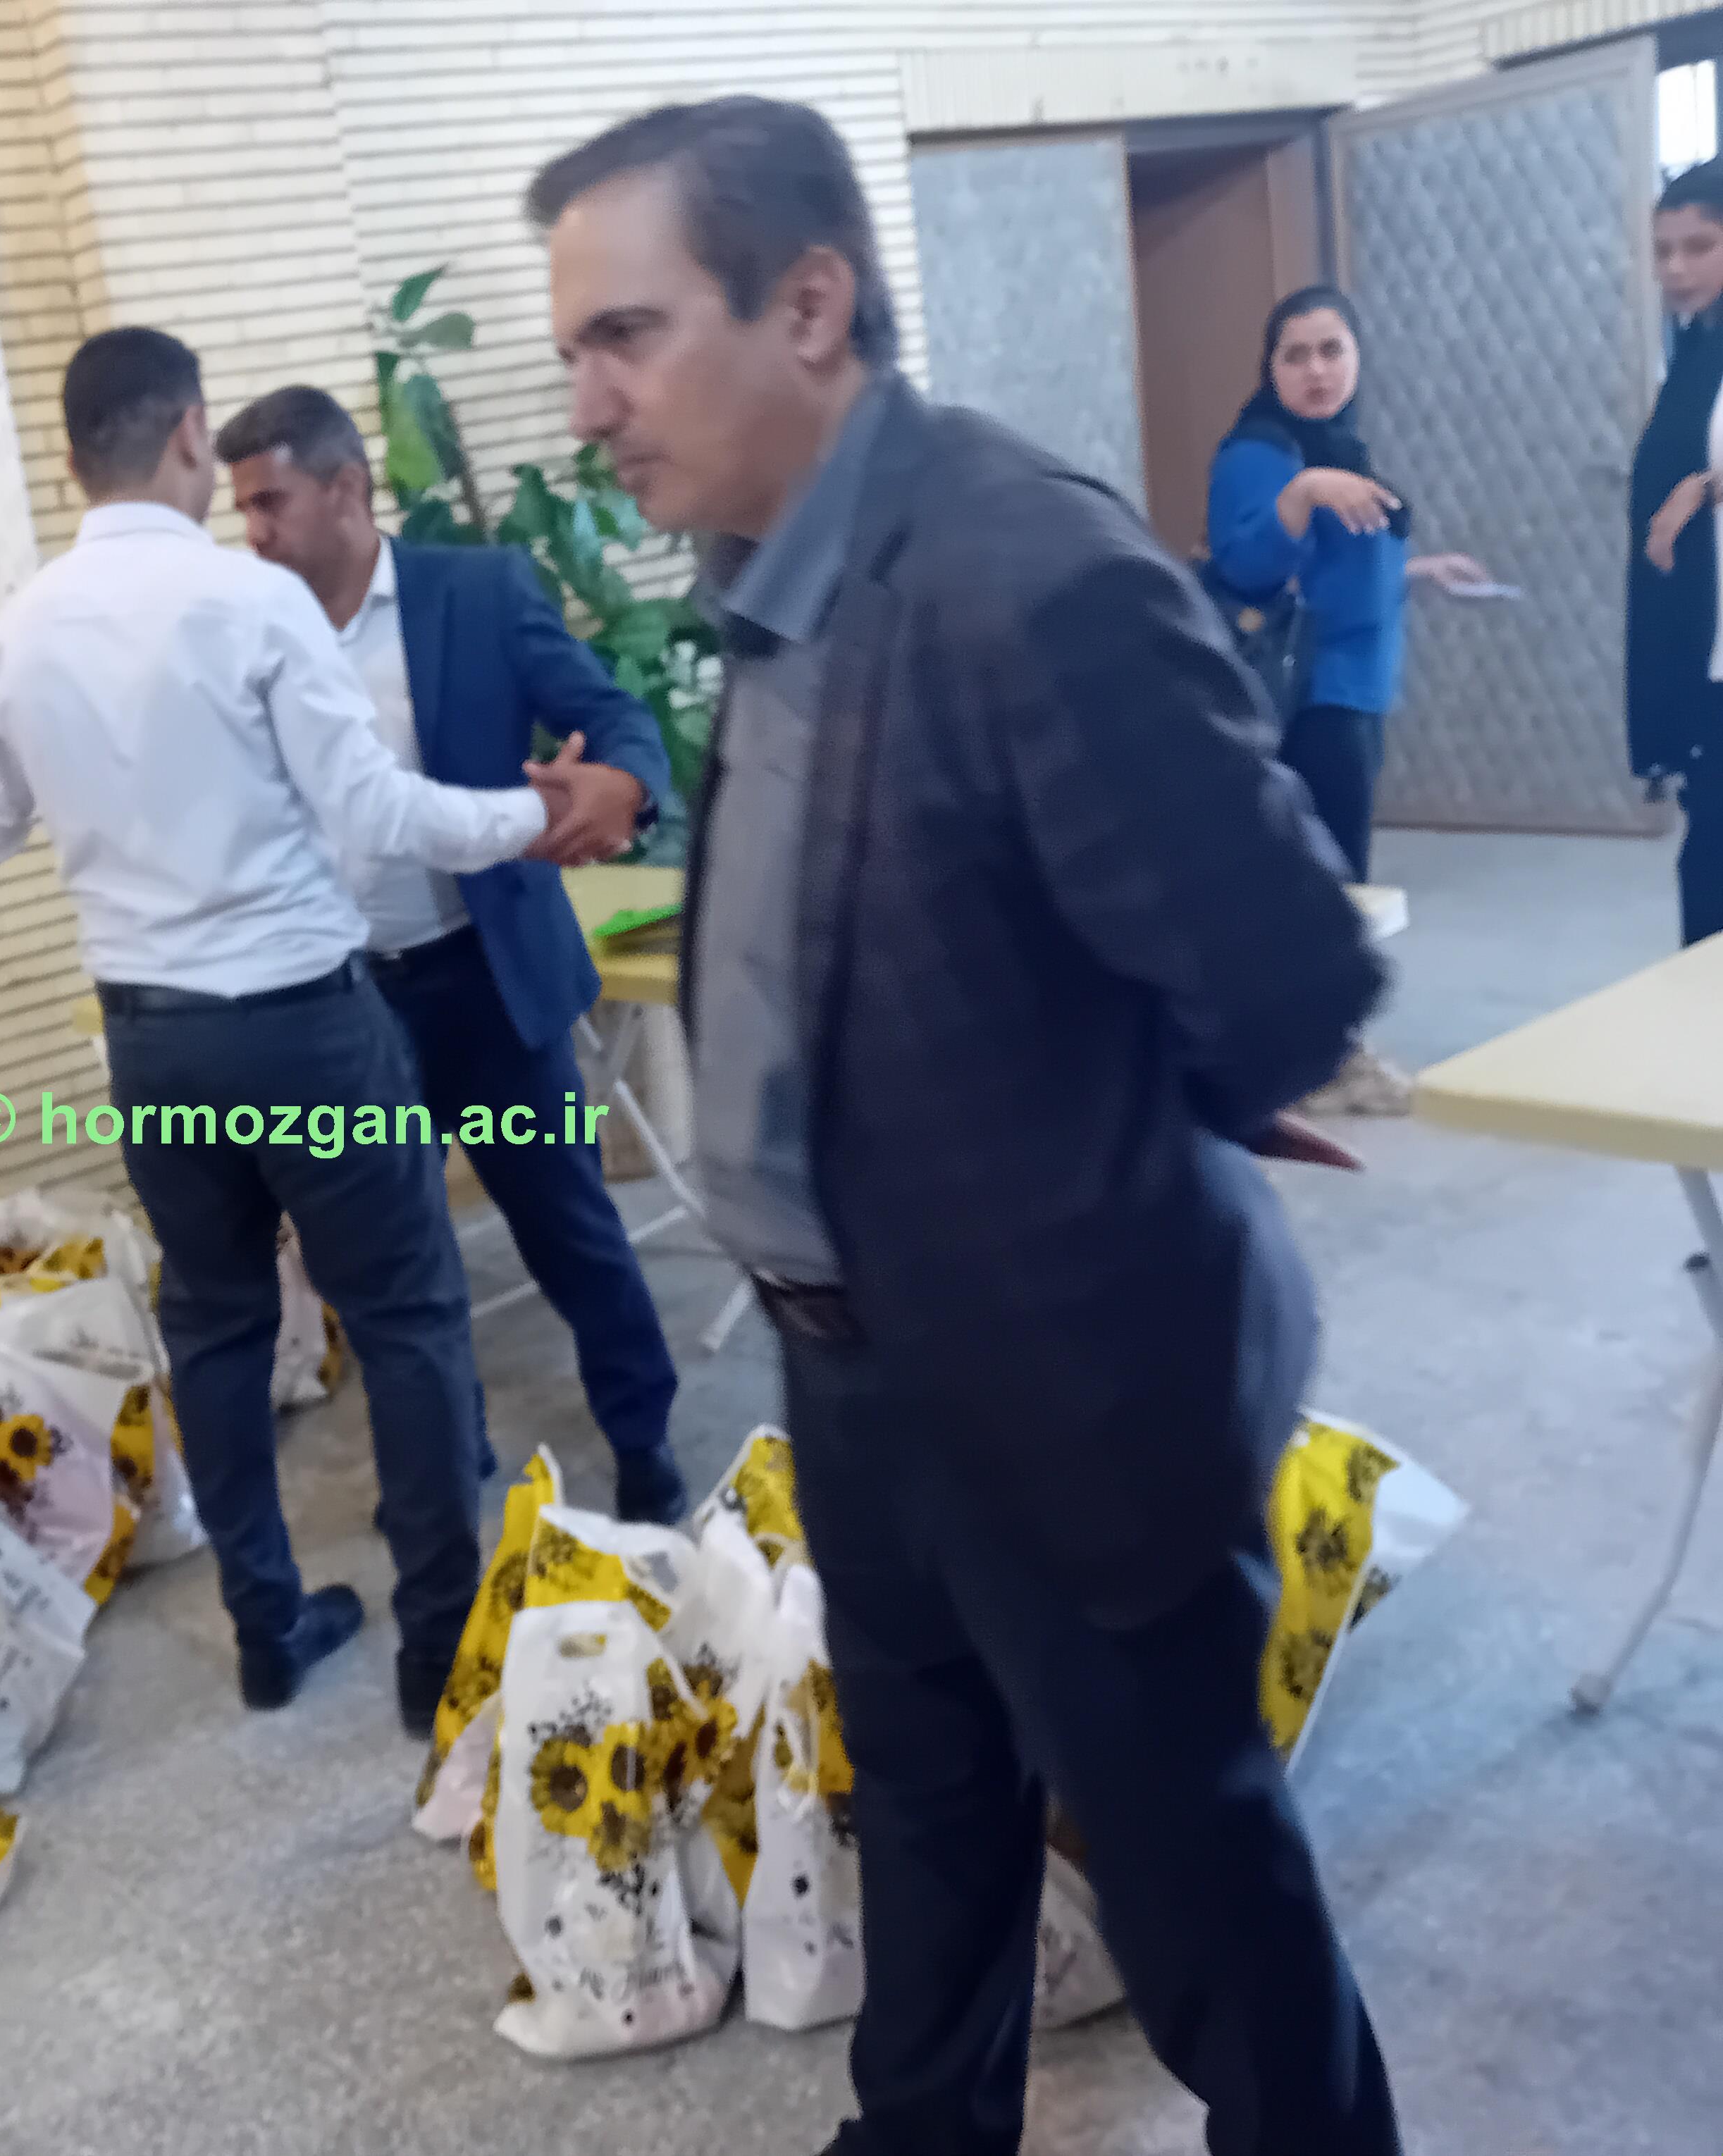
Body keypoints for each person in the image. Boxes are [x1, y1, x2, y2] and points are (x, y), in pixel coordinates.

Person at [530, 98, 1400, 2155]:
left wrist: (1101, 1139)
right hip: (858, 1369)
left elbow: (1284, 968)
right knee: (923, 1830)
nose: (586, 405)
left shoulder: (1026, 573)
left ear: (806, 303)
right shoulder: (773, 580)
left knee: (1193, 1887)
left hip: (1063, 1379)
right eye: (576, 350)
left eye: (624, 336)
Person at [0, 328, 636, 1734]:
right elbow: (379, 814)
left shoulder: (13, 636)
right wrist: (538, 815)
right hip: (301, 1032)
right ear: (188, 434)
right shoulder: (251, 603)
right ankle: (437, 1652)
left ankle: (269, 1629)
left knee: (217, 1329)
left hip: (153, 1046)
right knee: (405, 1318)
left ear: (71, 459)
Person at [212, 383, 693, 1528]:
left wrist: (626, 783)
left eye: (271, 502)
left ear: (346, 488)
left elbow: (612, 715)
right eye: (242, 508)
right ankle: (449, 1458)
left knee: (569, 1228)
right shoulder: (243, 628)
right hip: (344, 1007)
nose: (253, 532)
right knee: (393, 1262)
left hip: (486, 983)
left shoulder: (478, 594)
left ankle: (643, 1437)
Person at [1205, 285, 1490, 1110]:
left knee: (1338, 883)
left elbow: (1336, 574)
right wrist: (1300, 496)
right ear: (1269, 368)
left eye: (1332, 350)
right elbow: (1244, 568)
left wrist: (1417, 571)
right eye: (1295, 355)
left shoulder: (1337, 445)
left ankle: (1321, 1053)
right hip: (1313, 701)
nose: (1317, 370)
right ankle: (1325, 1061)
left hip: (1356, 692)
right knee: (1327, 889)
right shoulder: (1261, 453)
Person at [1630, 157, 1723, 948]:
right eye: (1664, 251)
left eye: (1699, 247)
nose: (1677, 269)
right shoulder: (1698, 349)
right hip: (1709, 651)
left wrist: (1704, 487)